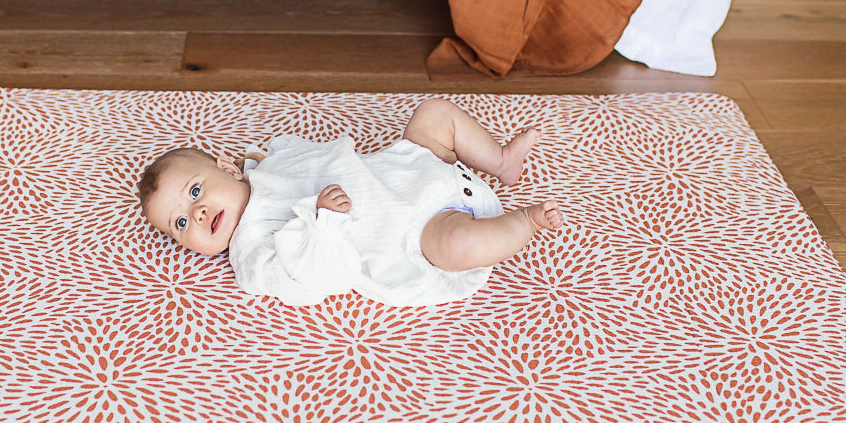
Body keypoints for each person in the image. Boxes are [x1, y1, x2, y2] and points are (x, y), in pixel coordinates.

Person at [137, 98, 564, 305]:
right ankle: (524, 223)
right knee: (460, 247)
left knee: (434, 115)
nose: (197, 214)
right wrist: (324, 226)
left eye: (195, 192)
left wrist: (262, 162)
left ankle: (502, 160)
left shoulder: (266, 165)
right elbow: (308, 283)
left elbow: (304, 157)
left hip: (409, 165)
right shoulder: (251, 250)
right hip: (419, 227)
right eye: (180, 224)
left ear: (228, 169)